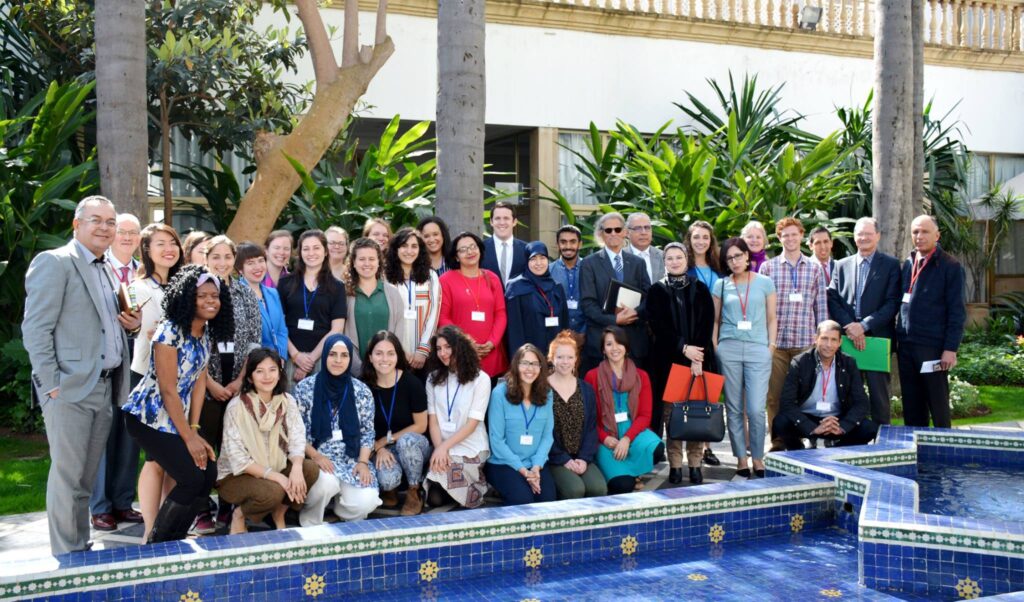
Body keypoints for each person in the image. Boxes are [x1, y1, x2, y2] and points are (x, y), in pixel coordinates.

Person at [23, 196, 141, 554]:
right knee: (68, 477)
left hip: (105, 387)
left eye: (110, 222)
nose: (104, 228)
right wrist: (51, 386)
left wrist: (132, 328)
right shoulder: (55, 263)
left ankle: (80, 548)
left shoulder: (107, 268)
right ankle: (66, 553)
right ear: (77, 224)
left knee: (85, 480)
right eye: (97, 221)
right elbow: (35, 330)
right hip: (70, 390)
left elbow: (107, 327)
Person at [121, 264, 231, 543]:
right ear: (186, 298)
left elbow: (198, 382)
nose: (210, 301)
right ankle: (158, 540)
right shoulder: (169, 332)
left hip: (176, 417)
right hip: (148, 416)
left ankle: (174, 535)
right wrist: (189, 438)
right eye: (202, 296)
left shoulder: (204, 333)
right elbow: (168, 390)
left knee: (207, 474)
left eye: (214, 296)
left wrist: (194, 428)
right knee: (192, 477)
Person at [216, 348, 325, 533]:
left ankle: (278, 513)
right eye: (259, 371)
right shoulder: (237, 407)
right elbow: (238, 459)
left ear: (279, 373)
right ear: (250, 377)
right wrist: (278, 477)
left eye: (272, 369)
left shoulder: (287, 401)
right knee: (273, 491)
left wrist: (297, 467)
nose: (267, 376)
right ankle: (240, 514)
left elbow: (297, 438)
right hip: (237, 476)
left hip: (275, 466)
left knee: (309, 469)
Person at [197, 235, 263, 532]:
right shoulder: (196, 291)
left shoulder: (245, 294)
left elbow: (253, 341)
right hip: (204, 386)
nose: (222, 263)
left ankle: (227, 504)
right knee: (204, 448)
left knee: (231, 449)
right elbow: (191, 341)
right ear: (206, 259)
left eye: (227, 257)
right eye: (216, 257)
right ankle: (200, 506)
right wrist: (209, 383)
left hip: (236, 385)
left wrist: (239, 381)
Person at [127, 223, 185, 541]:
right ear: (146, 251)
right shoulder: (141, 288)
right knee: (155, 456)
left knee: (175, 457)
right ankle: (151, 528)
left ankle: (169, 523)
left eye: (173, 242)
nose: (168, 248)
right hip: (149, 378)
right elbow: (150, 332)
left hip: (181, 380)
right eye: (160, 243)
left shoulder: (182, 284)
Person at [89, 213, 144, 532]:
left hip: (136, 362)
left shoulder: (142, 270)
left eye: (133, 233)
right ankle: (100, 506)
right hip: (104, 364)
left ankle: (123, 502)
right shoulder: (99, 266)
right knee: (101, 436)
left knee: (129, 435)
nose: (126, 237)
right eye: (121, 231)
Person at [647, 242, 717, 485]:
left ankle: (695, 464)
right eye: (670, 258)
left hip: (699, 361)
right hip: (669, 363)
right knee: (673, 416)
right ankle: (675, 465)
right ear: (664, 262)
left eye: (679, 257)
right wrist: (683, 348)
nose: (675, 262)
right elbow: (658, 326)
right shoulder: (656, 291)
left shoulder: (700, 289)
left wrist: (697, 356)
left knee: (696, 415)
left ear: (686, 260)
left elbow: (707, 324)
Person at [294, 335, 382, 521]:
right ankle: (312, 520)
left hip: (351, 459)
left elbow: (367, 432)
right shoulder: (305, 388)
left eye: (344, 355)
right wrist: (315, 456)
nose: (338, 360)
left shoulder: (361, 391)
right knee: (325, 484)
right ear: (324, 355)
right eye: (333, 354)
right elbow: (295, 433)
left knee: (367, 501)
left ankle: (341, 510)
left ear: (351, 358)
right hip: (318, 457)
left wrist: (363, 462)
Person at [759, 217, 828, 451]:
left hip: (806, 344)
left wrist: (822, 342)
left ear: (801, 236)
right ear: (779, 239)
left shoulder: (815, 268)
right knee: (775, 396)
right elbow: (761, 308)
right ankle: (778, 440)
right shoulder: (767, 268)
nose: (790, 238)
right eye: (784, 235)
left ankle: (807, 436)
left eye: (794, 234)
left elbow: (821, 307)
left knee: (806, 396)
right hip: (776, 344)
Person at [713, 238, 777, 479]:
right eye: (729, 258)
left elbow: (772, 318)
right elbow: (715, 321)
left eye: (738, 255)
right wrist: (716, 347)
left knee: (755, 409)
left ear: (747, 256)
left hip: (758, 349)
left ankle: (758, 456)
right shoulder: (720, 285)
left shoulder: (764, 283)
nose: (735, 261)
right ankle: (741, 457)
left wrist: (770, 347)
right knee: (734, 407)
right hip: (728, 349)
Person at [827, 217, 901, 425]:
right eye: (859, 234)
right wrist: (851, 328)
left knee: (879, 397)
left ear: (877, 236)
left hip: (877, 340)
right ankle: (851, 438)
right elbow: (833, 299)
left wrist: (864, 326)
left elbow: (892, 302)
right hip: (848, 339)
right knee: (849, 394)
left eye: (868, 234)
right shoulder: (841, 265)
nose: (863, 238)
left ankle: (882, 441)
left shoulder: (891, 265)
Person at [896, 215, 966, 428]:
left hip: (933, 347)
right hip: (907, 345)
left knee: (937, 402)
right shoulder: (909, 263)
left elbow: (957, 311)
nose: (919, 236)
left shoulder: (950, 266)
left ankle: (944, 448)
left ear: (937, 235)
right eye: (915, 232)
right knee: (911, 402)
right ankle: (916, 449)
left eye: (925, 231)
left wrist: (950, 348)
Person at [773, 321, 879, 449]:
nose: (828, 345)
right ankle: (801, 452)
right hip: (808, 418)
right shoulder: (800, 362)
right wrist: (812, 428)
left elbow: (861, 402)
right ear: (815, 339)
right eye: (824, 338)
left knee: (869, 429)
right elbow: (787, 401)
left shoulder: (848, 363)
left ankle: (835, 449)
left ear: (840, 343)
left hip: (837, 420)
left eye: (834, 340)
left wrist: (843, 426)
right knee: (780, 423)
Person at [585, 326, 663, 494]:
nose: (615, 348)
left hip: (632, 433)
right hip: (605, 437)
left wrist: (627, 438)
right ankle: (611, 469)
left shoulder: (641, 376)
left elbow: (644, 415)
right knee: (622, 487)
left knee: (657, 449)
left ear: (626, 347)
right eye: (609, 344)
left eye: (619, 343)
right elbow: (588, 418)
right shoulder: (592, 376)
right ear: (603, 350)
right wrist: (604, 438)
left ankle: (633, 471)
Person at [423, 326, 492, 509]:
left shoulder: (481, 379)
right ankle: (470, 486)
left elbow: (471, 425)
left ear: (459, 346)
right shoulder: (432, 379)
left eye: (447, 347)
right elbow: (434, 421)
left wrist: (443, 448)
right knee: (434, 499)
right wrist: (440, 449)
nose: (443, 353)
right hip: (443, 447)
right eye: (438, 349)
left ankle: (475, 486)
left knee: (437, 497)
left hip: (471, 446)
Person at [363, 332, 431, 515]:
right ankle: (390, 490)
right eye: (379, 353)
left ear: (398, 356)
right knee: (387, 479)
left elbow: (421, 426)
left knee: (406, 441)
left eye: (390, 353)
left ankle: (414, 490)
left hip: (414, 446)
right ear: (370, 357)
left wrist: (383, 441)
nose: (384, 359)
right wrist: (378, 449)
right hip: (382, 450)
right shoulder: (364, 386)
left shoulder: (411, 383)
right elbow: (362, 427)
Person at [579, 212, 651, 375]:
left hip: (634, 341)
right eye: (608, 230)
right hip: (601, 342)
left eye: (617, 229)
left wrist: (635, 312)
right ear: (600, 234)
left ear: (625, 232)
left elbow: (648, 297)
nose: (613, 234)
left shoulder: (637, 263)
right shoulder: (589, 264)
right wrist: (615, 319)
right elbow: (587, 304)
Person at [485, 345, 556, 505]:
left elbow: (547, 436)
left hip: (535, 463)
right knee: (522, 499)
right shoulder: (499, 393)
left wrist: (536, 467)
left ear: (541, 367)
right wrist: (524, 472)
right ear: (516, 365)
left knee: (548, 500)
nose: (529, 369)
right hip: (504, 463)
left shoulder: (547, 393)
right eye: (524, 363)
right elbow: (497, 441)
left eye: (534, 364)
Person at [438, 232, 509, 379]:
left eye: (473, 247)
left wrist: (492, 342)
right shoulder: (446, 280)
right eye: (463, 249)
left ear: (480, 250)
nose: (470, 252)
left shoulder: (492, 278)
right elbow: (443, 317)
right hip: (459, 352)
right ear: (456, 256)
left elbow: (501, 313)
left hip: (490, 353)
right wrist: (465, 341)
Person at [546, 331, 606, 500]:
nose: (565, 362)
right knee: (575, 490)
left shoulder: (586, 389)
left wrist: (584, 459)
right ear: (552, 358)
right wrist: (564, 459)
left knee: (598, 488)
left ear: (576, 360)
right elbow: (542, 433)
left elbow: (591, 429)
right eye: (560, 357)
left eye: (570, 357)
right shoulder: (542, 389)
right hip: (555, 458)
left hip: (580, 456)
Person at [279, 230, 346, 382]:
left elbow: (337, 329)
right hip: (290, 357)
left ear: (325, 251)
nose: (311, 253)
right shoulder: (285, 283)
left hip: (322, 358)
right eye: (306, 248)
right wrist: (296, 356)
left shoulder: (337, 287)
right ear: (300, 252)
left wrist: (309, 360)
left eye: (316, 248)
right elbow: (278, 325)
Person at [685, 220, 724, 468]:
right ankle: (689, 447)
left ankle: (707, 446)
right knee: (690, 392)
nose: (701, 241)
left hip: (716, 337)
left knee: (710, 391)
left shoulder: (718, 269)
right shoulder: (683, 268)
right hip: (692, 338)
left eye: (705, 238)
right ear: (689, 240)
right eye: (696, 237)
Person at [343, 238, 404, 375]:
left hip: (386, 367)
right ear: (353, 262)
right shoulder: (345, 294)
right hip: (354, 369)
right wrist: (358, 369)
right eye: (361, 259)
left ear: (379, 262)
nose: (367, 264)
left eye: (371, 259)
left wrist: (387, 364)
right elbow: (343, 333)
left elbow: (398, 333)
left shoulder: (393, 293)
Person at [385, 228, 441, 372]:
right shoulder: (384, 277)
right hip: (392, 353)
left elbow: (433, 315)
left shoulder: (431, 277)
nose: (409, 251)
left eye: (414, 246)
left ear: (420, 250)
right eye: (404, 246)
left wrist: (422, 350)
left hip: (422, 356)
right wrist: (399, 350)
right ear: (396, 249)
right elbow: (386, 315)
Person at [505, 242, 570, 357]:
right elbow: (514, 330)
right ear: (526, 261)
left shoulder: (556, 287)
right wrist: (520, 359)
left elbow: (564, 325)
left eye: (542, 258)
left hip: (555, 356)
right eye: (533, 259)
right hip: (528, 357)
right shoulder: (516, 287)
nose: (538, 263)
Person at [237, 242, 290, 360]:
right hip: (252, 362)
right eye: (250, 263)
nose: (258, 267)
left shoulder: (273, 293)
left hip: (276, 361)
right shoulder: (237, 295)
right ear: (240, 269)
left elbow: (281, 329)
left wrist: (280, 357)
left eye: (261, 261)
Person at [481, 201, 527, 286]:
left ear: (514, 222)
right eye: (497, 218)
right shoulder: (480, 249)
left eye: (506, 218)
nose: (502, 223)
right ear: (491, 222)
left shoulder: (526, 249)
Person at [549, 225, 585, 333]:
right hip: (557, 336)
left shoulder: (590, 269)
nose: (568, 246)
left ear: (580, 244)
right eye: (563, 242)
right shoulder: (548, 271)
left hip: (586, 336)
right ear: (557, 245)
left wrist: (584, 334)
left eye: (573, 242)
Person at [624, 212, 665, 283]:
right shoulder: (619, 257)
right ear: (627, 233)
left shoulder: (664, 256)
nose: (643, 232)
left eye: (647, 228)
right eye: (637, 228)